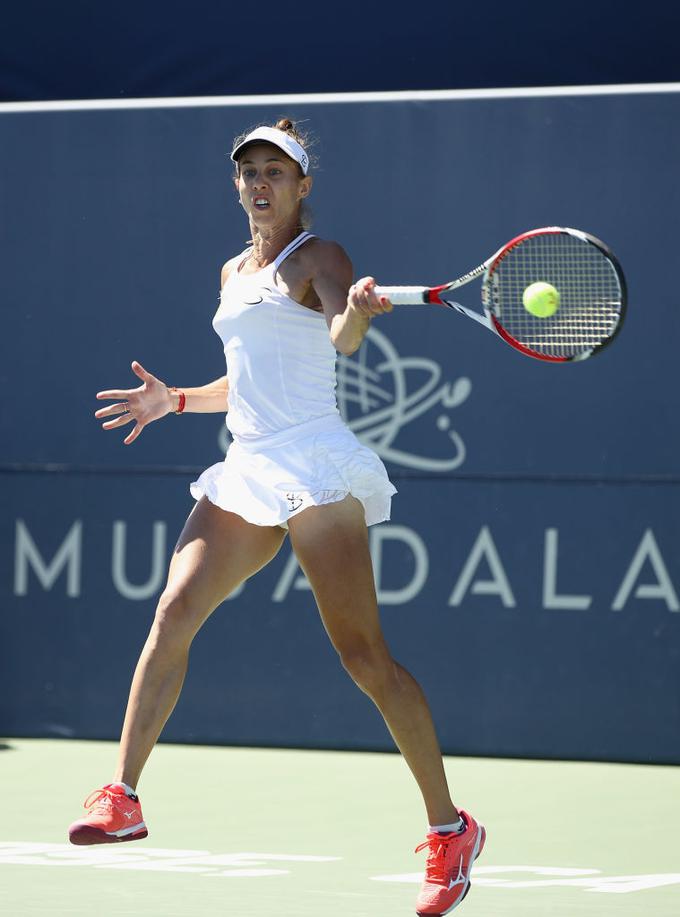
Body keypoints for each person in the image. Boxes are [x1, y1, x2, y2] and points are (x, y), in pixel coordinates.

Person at [67, 119, 485, 915]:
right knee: (173, 611)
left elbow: (339, 335)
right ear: (238, 185)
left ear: (302, 186)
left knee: (366, 660)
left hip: (315, 464)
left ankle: (449, 826)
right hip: (248, 464)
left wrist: (357, 310)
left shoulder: (320, 258)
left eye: (275, 172)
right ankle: (122, 796)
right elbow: (249, 379)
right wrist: (180, 400)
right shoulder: (233, 269)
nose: (260, 183)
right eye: (248, 172)